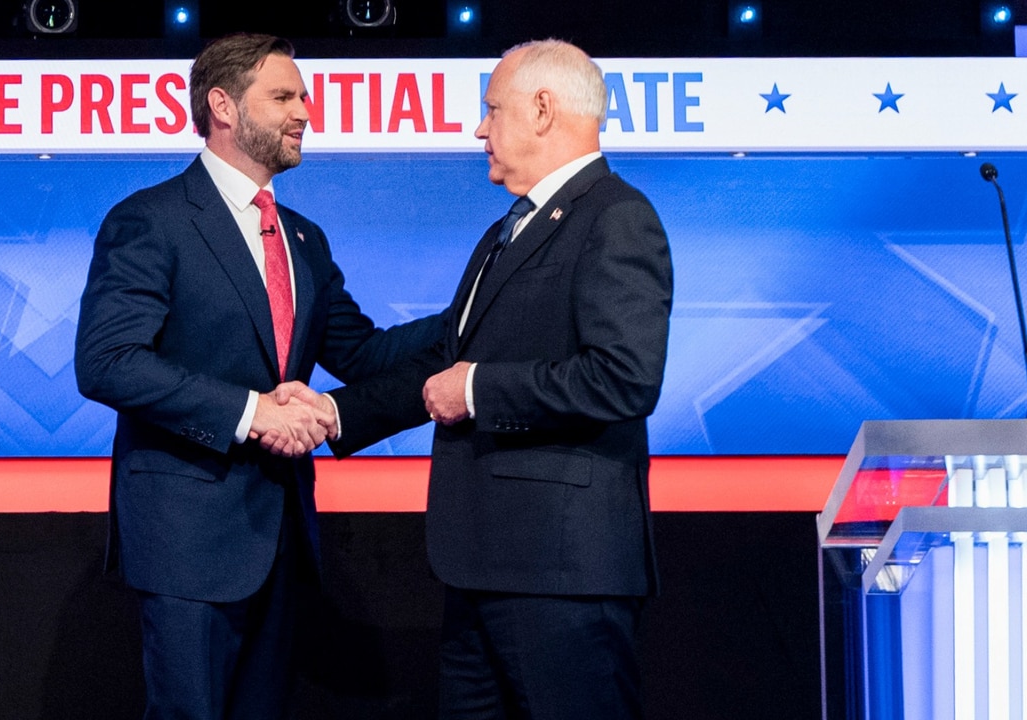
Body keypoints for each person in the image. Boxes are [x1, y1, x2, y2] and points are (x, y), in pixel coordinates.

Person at [275, 39, 673, 718]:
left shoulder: (615, 218)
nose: (480, 129)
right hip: (482, 569)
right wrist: (335, 414)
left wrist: (481, 390)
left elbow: (624, 378)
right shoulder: (504, 233)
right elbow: (444, 362)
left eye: (492, 109)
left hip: (562, 577)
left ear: (543, 109)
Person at [73, 33, 442, 720]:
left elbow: (362, 355)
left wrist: (474, 317)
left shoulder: (303, 237)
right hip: (186, 543)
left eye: (301, 95)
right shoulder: (150, 221)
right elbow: (107, 362)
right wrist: (252, 411)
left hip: (281, 541)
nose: (304, 111)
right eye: (283, 96)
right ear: (222, 105)